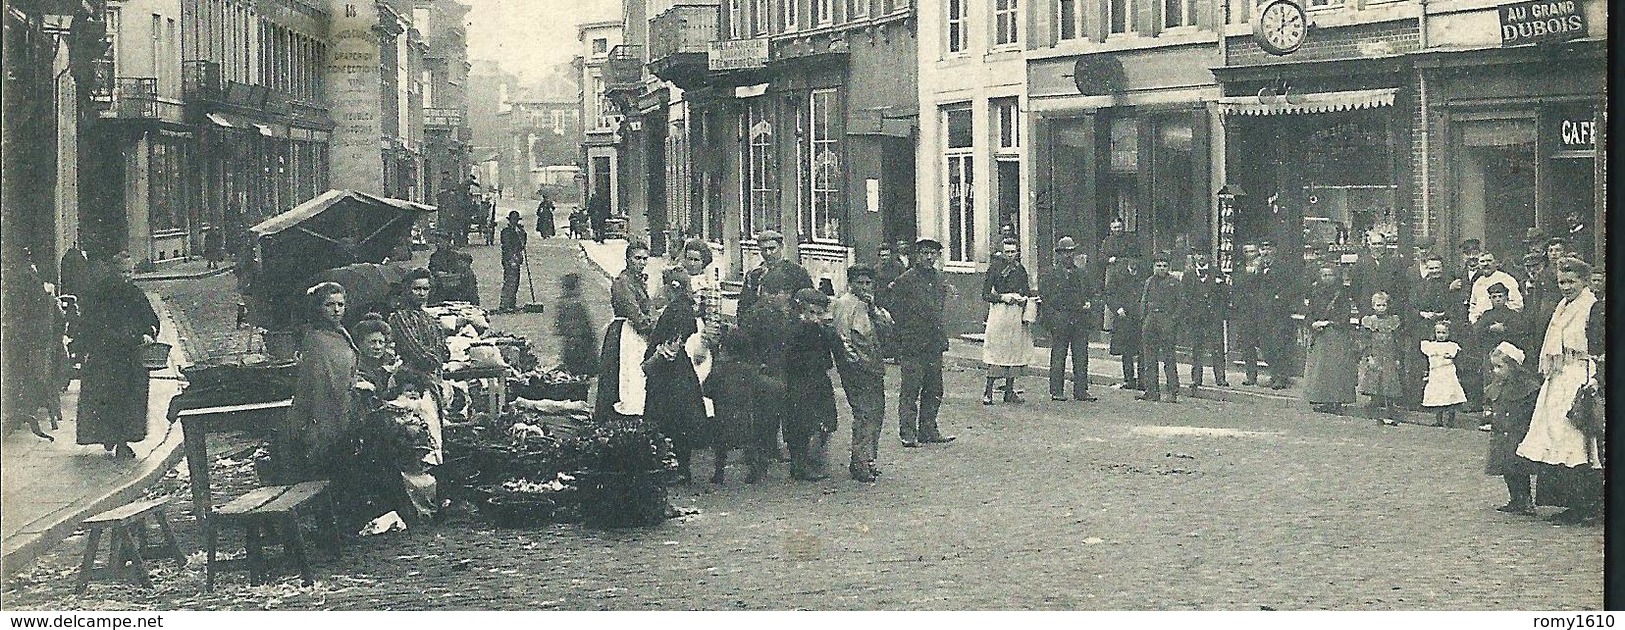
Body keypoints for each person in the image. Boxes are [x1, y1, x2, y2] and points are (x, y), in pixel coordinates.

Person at [1516, 257, 1602, 525]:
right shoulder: (1562, 308)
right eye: (1562, 282)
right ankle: (1568, 502)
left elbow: (1599, 348)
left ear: (1584, 281)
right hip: (1560, 375)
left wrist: (1597, 378)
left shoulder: (1593, 308)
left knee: (1579, 440)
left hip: (1582, 375)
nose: (1566, 287)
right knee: (1555, 437)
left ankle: (1589, 506)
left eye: (1571, 281)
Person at [75, 253, 160, 458]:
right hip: (106, 357)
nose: (126, 276)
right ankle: (108, 436)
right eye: (122, 272)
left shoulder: (135, 293)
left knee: (127, 400)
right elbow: (89, 322)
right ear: (113, 272)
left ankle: (122, 441)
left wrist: (148, 332)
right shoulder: (99, 294)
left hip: (131, 357)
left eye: (129, 272)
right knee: (108, 398)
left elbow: (150, 319)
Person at [276, 282, 359, 481]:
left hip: (346, 407)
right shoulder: (316, 340)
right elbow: (318, 384)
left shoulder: (340, 333)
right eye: (329, 305)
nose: (336, 310)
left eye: (340, 304)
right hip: (328, 412)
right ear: (318, 308)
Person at [641, 268, 706, 484]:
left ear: (671, 287)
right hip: (678, 371)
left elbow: (671, 346)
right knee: (678, 420)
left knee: (670, 419)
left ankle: (678, 468)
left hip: (669, 374)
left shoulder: (677, 311)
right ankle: (679, 466)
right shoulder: (683, 308)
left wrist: (649, 364)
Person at [889, 239, 955, 447]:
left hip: (934, 343)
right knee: (911, 389)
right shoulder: (904, 281)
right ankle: (907, 432)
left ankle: (928, 429)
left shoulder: (939, 279)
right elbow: (896, 314)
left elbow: (940, 309)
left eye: (932, 254)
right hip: (913, 344)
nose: (928, 257)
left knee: (935, 389)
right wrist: (902, 341)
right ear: (916, 255)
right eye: (924, 253)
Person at [832, 264, 892, 482]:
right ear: (851, 283)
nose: (865, 287)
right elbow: (842, 338)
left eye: (868, 283)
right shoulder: (843, 304)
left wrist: (874, 308)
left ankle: (869, 459)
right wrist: (853, 363)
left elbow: (888, 327)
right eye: (860, 283)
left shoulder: (870, 305)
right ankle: (860, 463)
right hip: (856, 370)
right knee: (864, 414)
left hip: (873, 366)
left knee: (876, 413)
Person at [783, 288, 841, 481]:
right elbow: (789, 357)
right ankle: (799, 464)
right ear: (800, 310)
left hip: (818, 380)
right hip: (799, 381)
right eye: (811, 313)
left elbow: (828, 356)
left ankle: (813, 460)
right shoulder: (794, 330)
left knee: (824, 421)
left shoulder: (821, 331)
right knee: (800, 424)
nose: (816, 318)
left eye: (819, 313)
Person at [595, 240, 656, 420]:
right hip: (624, 332)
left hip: (636, 333)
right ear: (628, 259)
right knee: (621, 374)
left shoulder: (639, 281)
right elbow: (634, 313)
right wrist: (654, 328)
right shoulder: (623, 283)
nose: (642, 263)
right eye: (637, 258)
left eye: (645, 259)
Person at [1037, 236, 1099, 402]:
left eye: (1071, 252)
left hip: (1079, 320)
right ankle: (1056, 390)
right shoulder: (1050, 274)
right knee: (1058, 356)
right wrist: (1054, 319)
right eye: (1065, 252)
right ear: (1059, 254)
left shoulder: (1082, 274)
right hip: (1061, 319)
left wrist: (1089, 305)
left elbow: (1093, 294)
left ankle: (1081, 391)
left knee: (1081, 357)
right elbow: (1046, 299)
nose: (1069, 256)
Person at [1483, 342, 1540, 516]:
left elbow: (1530, 411)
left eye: (1500, 367)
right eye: (1494, 367)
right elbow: (1492, 402)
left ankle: (1525, 500)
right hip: (1502, 432)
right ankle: (1515, 499)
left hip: (1518, 432)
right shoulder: (1498, 385)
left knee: (1519, 467)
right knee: (1506, 467)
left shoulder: (1527, 387)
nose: (1496, 371)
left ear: (1513, 366)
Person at [704, 330, 768, 484]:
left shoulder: (720, 367)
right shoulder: (749, 369)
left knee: (720, 445)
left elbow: (706, 388)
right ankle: (754, 471)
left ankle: (719, 473)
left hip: (722, 412)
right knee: (748, 442)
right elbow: (759, 387)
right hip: (744, 412)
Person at [980, 238, 1035, 406]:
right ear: (1001, 252)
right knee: (997, 351)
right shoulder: (994, 269)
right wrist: (1002, 297)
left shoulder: (1020, 270)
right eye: (1007, 252)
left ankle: (1009, 391)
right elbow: (985, 294)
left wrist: (1025, 299)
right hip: (999, 314)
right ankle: (988, 391)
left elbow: (1026, 290)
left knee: (1014, 352)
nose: (1010, 255)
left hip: (1016, 315)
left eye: (1013, 252)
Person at [1301, 265, 1358, 414]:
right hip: (1320, 336)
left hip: (1335, 335)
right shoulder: (1315, 293)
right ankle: (1321, 398)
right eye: (1324, 275)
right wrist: (1313, 323)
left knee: (1336, 369)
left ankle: (1336, 400)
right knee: (1320, 369)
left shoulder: (1342, 294)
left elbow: (1345, 315)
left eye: (1330, 275)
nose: (1327, 278)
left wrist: (1328, 323)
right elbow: (1310, 313)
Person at [1135, 252, 1182, 403]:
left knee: (1169, 358)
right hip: (1150, 321)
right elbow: (1144, 299)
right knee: (1149, 358)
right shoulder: (1149, 281)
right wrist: (1144, 319)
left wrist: (1172, 320)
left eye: (1164, 266)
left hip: (1166, 321)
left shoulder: (1174, 282)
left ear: (1169, 267)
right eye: (1158, 266)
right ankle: (1151, 391)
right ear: (1153, 266)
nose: (1161, 269)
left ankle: (1172, 392)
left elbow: (1181, 304)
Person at [388, 269, 451, 379]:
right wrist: (436, 359)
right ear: (407, 290)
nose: (422, 293)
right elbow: (415, 350)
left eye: (425, 289)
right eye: (417, 289)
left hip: (434, 375)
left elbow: (444, 351)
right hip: (411, 377)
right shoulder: (400, 317)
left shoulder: (429, 318)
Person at [1181, 250, 1229, 390]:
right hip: (1196, 317)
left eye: (1204, 253)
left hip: (1214, 317)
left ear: (1209, 256)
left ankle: (1220, 378)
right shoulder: (1188, 275)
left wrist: (1220, 311)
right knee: (1197, 348)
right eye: (1198, 254)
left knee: (1217, 347)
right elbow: (1184, 297)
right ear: (1194, 256)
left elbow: (1224, 294)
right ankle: (1196, 379)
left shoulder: (1216, 272)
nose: (1201, 256)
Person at [740, 230, 814, 314]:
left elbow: (809, 301)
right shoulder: (754, 275)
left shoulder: (797, 271)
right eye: (764, 249)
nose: (768, 253)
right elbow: (744, 307)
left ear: (781, 247)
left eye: (772, 248)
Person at [1358, 291, 1405, 425]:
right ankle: (1374, 404)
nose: (1381, 308)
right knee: (1374, 380)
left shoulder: (1393, 321)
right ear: (1373, 306)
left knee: (1389, 380)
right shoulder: (1369, 321)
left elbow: (1397, 340)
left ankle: (1390, 406)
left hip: (1389, 354)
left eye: (1383, 305)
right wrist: (1368, 355)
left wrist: (1397, 357)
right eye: (1378, 305)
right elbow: (1365, 340)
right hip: (1375, 354)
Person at [1229, 243, 1268, 386]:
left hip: (1261, 311)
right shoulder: (1239, 268)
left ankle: (1276, 375)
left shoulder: (1263, 268)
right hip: (1245, 312)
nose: (1249, 254)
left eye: (1252, 251)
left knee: (1266, 343)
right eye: (1246, 251)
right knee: (1247, 345)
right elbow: (1236, 287)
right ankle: (1251, 375)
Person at [1104, 254, 1145, 390]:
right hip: (1124, 317)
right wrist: (1117, 309)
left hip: (1140, 318)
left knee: (1142, 350)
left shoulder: (1144, 275)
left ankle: (1142, 380)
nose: (1135, 263)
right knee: (1126, 350)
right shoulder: (1118, 275)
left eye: (1137, 260)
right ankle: (1128, 379)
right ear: (1128, 260)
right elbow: (1109, 294)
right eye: (1132, 259)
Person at [1421, 321, 1468, 428]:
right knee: (1438, 395)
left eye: (1444, 333)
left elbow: (1458, 358)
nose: (1441, 335)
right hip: (1436, 374)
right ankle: (1439, 420)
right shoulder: (1430, 346)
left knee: (1450, 394)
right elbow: (1427, 359)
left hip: (1448, 373)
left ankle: (1451, 420)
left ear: (1449, 333)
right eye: (1438, 332)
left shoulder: (1451, 346)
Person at [554, 273, 598, 377]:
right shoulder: (577, 303)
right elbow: (586, 324)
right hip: (581, 341)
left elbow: (559, 326)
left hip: (571, 342)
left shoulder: (562, 303)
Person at [1468, 252, 1523, 323]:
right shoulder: (1478, 282)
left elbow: (1517, 304)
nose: (1485, 264)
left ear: (1496, 263)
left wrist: (1503, 322)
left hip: (1500, 323)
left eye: (1489, 261)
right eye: (1482, 261)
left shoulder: (1507, 279)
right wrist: (1474, 321)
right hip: (1482, 324)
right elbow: (1473, 305)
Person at [352, 313, 397, 395]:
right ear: (360, 343)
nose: (377, 347)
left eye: (381, 342)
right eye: (372, 342)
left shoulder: (391, 362)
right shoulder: (354, 363)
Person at [499, 211, 528, 312]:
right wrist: (511, 258)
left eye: (516, 220)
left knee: (516, 282)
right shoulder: (506, 231)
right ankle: (504, 304)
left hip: (517, 259)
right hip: (509, 259)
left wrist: (522, 232)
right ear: (510, 220)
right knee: (509, 282)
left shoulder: (519, 231)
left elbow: (523, 243)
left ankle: (511, 303)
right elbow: (506, 246)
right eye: (513, 220)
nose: (515, 222)